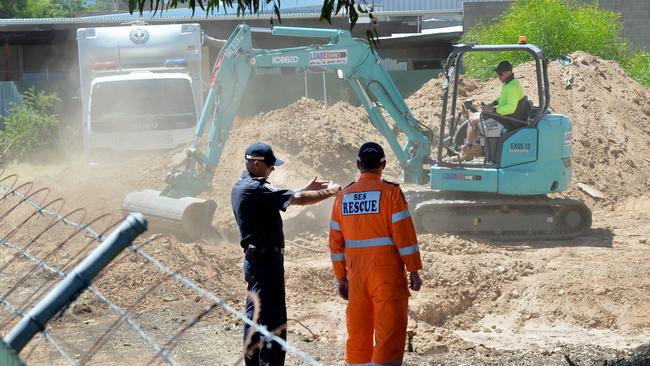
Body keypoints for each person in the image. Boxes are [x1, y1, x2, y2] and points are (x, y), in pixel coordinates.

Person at [231, 142, 341, 366]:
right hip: (265, 262)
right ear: (258, 163)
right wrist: (331, 192)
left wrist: (305, 188)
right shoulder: (257, 188)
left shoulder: (243, 185)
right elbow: (297, 200)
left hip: (255, 260)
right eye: (271, 167)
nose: (272, 171)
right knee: (273, 320)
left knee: (255, 316)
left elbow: (284, 198)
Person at [328, 142, 423, 365]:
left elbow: (335, 243)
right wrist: (414, 270)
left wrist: (341, 277)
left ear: (358, 164)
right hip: (386, 274)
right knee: (389, 331)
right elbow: (405, 236)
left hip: (356, 275)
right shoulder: (391, 193)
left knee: (359, 329)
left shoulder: (343, 197)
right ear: (384, 164)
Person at [461, 60, 528, 161]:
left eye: (500, 74)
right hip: (507, 117)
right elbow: (502, 98)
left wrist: (494, 110)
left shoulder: (513, 87)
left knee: (473, 120)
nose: (499, 77)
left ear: (507, 72)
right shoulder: (509, 84)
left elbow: (510, 108)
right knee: (476, 117)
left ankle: (469, 149)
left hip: (509, 121)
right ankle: (473, 151)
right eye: (498, 74)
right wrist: (492, 104)